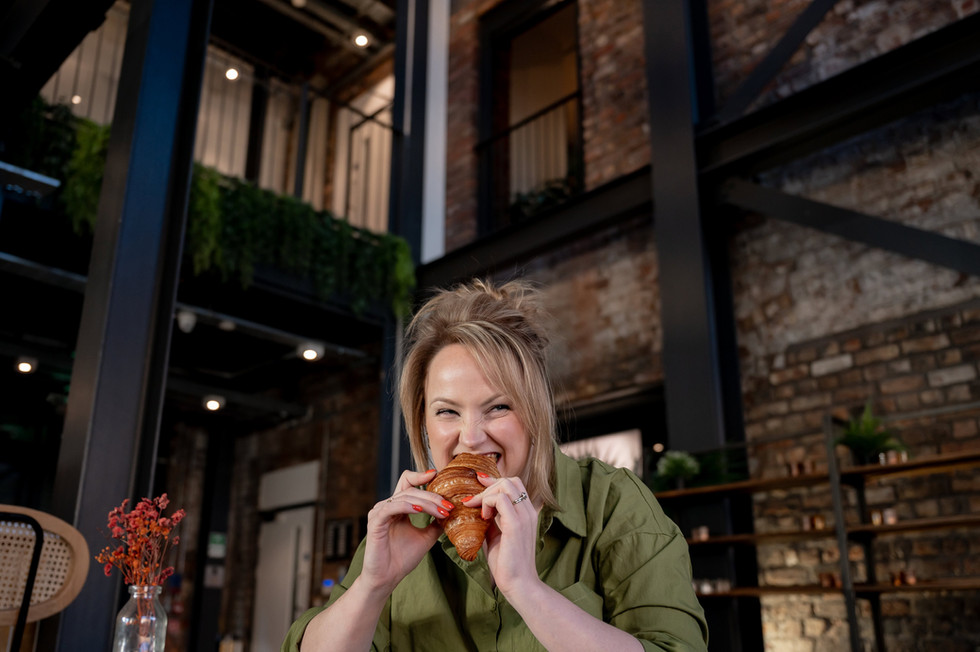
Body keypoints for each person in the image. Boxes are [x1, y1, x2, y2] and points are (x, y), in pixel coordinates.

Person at [282, 278, 708, 651]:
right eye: (447, 411)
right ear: (423, 421)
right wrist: (372, 587)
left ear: (535, 411)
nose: (471, 436)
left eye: (498, 407)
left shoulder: (612, 504)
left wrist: (526, 589)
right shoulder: (403, 525)